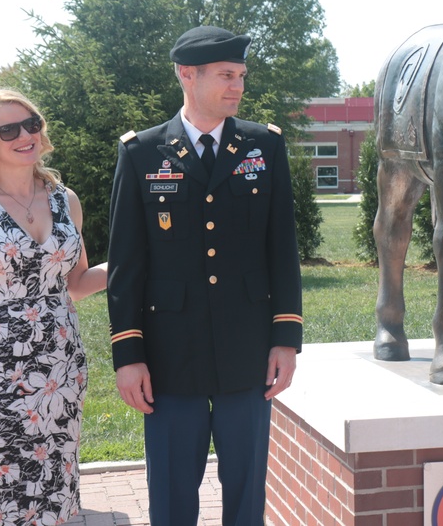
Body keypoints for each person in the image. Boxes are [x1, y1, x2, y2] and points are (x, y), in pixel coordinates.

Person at [107, 26, 303, 526]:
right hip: (171, 354)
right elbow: (127, 266)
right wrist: (128, 355)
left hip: (248, 350)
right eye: (225, 76)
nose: (237, 86)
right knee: (171, 494)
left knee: (245, 495)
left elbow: (282, 251)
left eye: (240, 75)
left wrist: (286, 339)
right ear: (186, 75)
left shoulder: (264, 147)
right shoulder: (142, 154)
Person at [0, 86, 107, 524]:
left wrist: (134, 264)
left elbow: (75, 282)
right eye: (9, 129)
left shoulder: (65, 199)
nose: (25, 134)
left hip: (58, 367)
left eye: (32, 123)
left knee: (52, 480)